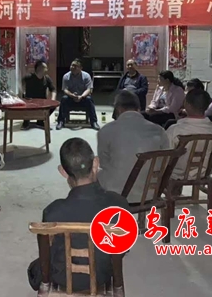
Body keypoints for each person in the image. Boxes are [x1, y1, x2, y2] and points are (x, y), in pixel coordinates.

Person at [27, 138, 129, 292]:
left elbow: (49, 251)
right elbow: (123, 249)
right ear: (95, 163)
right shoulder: (119, 204)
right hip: (102, 275)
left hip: (63, 278)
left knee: (36, 266)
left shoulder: (53, 211)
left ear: (62, 171)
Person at [97, 90, 170, 202]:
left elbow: (104, 163)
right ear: (138, 109)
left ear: (118, 109)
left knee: (93, 172)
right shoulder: (159, 130)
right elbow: (165, 161)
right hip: (150, 192)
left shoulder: (106, 130)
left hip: (116, 192)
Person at [166, 89, 212, 179]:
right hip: (204, 172)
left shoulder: (175, 130)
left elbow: (166, 156)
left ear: (186, 104)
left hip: (176, 173)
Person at [56, 59, 99, 131]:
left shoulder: (86, 76)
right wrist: (72, 95)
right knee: (64, 99)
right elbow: (65, 90)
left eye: (75, 66)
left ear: (80, 68)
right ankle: (61, 121)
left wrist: (81, 96)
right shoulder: (66, 76)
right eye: (72, 65)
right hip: (71, 98)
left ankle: (94, 122)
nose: (72, 67)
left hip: (83, 98)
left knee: (89, 99)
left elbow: (89, 89)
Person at [22, 60, 57, 129]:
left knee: (53, 106)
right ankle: (26, 121)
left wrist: (52, 100)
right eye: (45, 68)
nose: (47, 70)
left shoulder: (46, 78)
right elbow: (21, 83)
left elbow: (53, 89)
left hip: (42, 102)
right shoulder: (29, 77)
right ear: (39, 68)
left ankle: (40, 121)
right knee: (24, 106)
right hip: (30, 102)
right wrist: (23, 93)